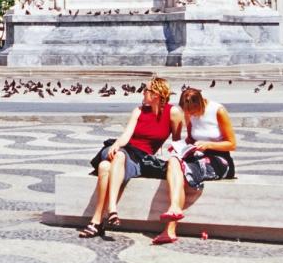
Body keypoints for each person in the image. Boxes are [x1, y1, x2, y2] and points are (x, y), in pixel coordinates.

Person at [79, 76, 183, 242]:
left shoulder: (173, 113)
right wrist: (117, 145)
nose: (143, 92)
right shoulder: (139, 110)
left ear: (155, 94)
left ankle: (97, 221)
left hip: (140, 160)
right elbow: (126, 136)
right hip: (122, 150)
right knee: (117, 155)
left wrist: (178, 160)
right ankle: (112, 209)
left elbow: (177, 140)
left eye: (146, 89)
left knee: (105, 167)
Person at [155, 86, 238, 243]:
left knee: (181, 169)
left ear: (200, 104)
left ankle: (170, 228)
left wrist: (208, 145)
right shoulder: (188, 113)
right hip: (198, 155)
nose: (189, 115)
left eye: (192, 111)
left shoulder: (218, 111)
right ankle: (174, 210)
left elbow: (232, 144)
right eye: (187, 112)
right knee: (173, 161)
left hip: (219, 160)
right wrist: (180, 145)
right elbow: (191, 139)